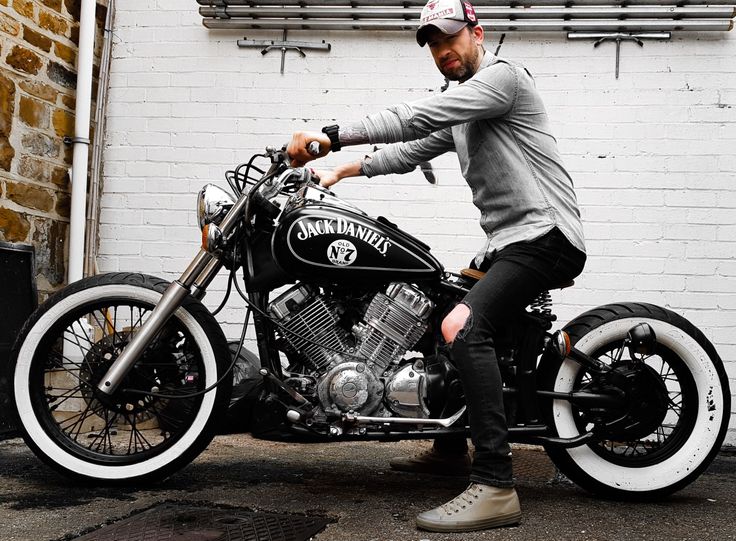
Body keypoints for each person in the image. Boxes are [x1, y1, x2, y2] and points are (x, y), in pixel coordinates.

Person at [287, 0, 586, 532]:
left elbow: (416, 117)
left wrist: (328, 132)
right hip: (507, 242)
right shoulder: (466, 109)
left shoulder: (502, 80)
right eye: (431, 42)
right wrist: (338, 172)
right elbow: (411, 147)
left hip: (544, 235)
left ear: (477, 32)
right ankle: (449, 450)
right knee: (434, 315)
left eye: (450, 36)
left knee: (463, 327)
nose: (442, 49)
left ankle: (495, 484)